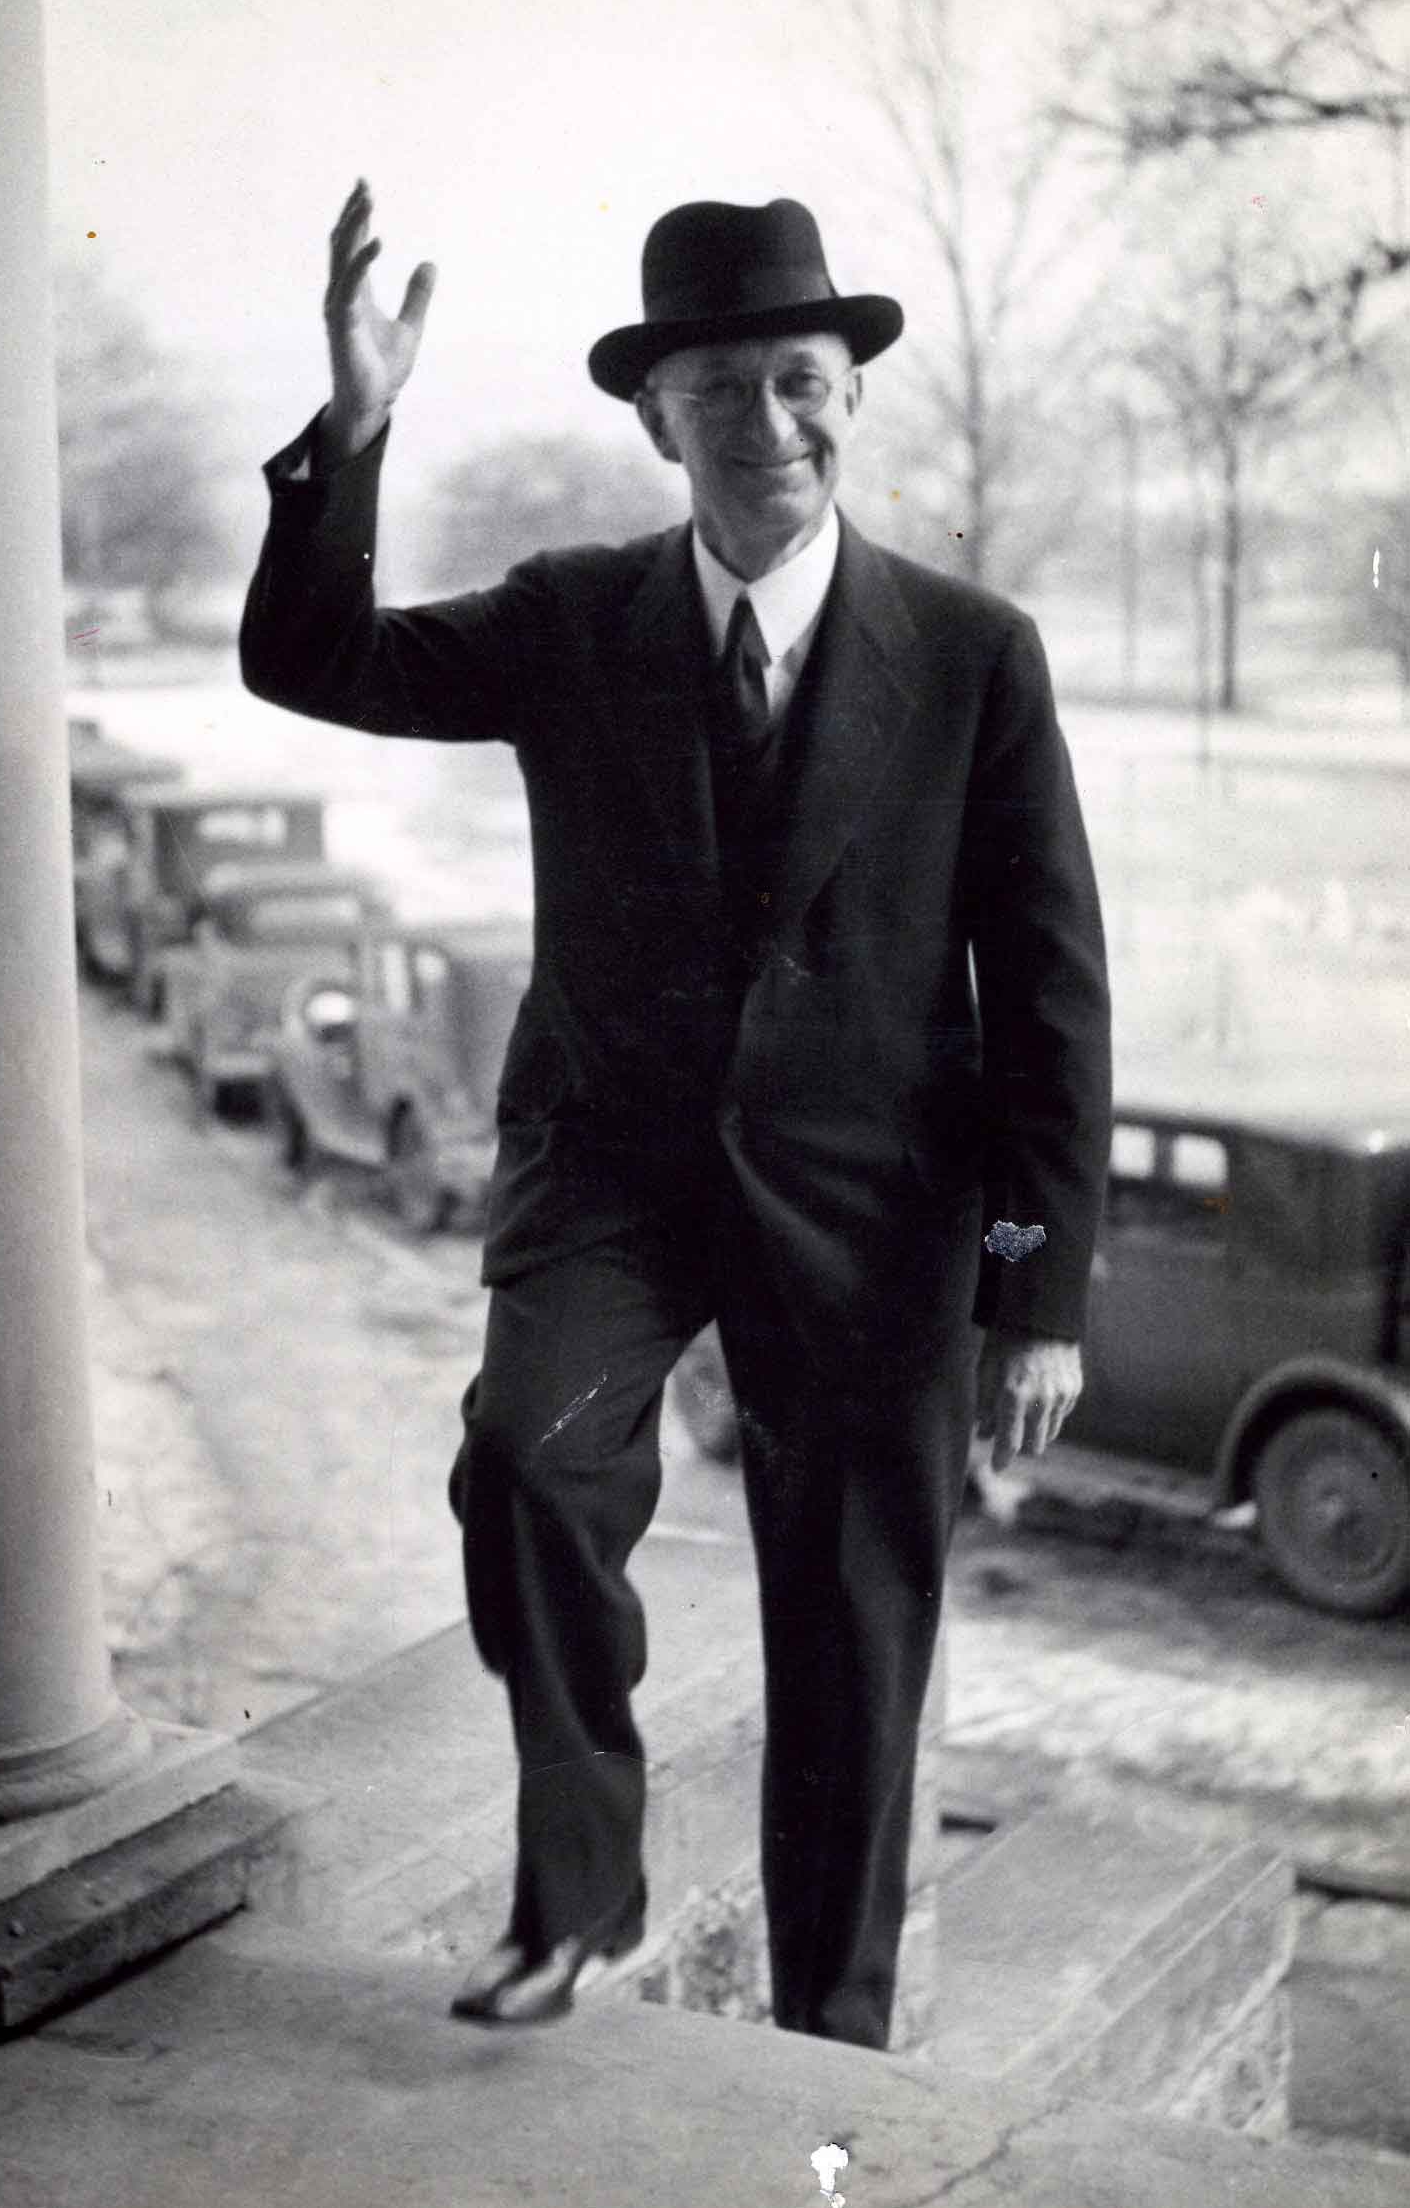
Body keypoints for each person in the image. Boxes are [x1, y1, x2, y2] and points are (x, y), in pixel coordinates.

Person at [240, 181, 1112, 2051]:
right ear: (657, 418)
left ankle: (832, 2040)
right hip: (612, 1185)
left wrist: (1034, 1292)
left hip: (875, 1214)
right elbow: (314, 662)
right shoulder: (574, 617)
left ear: (851, 397)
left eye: (802, 382)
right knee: (530, 1469)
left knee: (853, 1633)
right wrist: (359, 430)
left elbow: (1046, 993)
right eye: (721, 393)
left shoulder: (971, 654)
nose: (770, 427)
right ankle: (578, 1895)